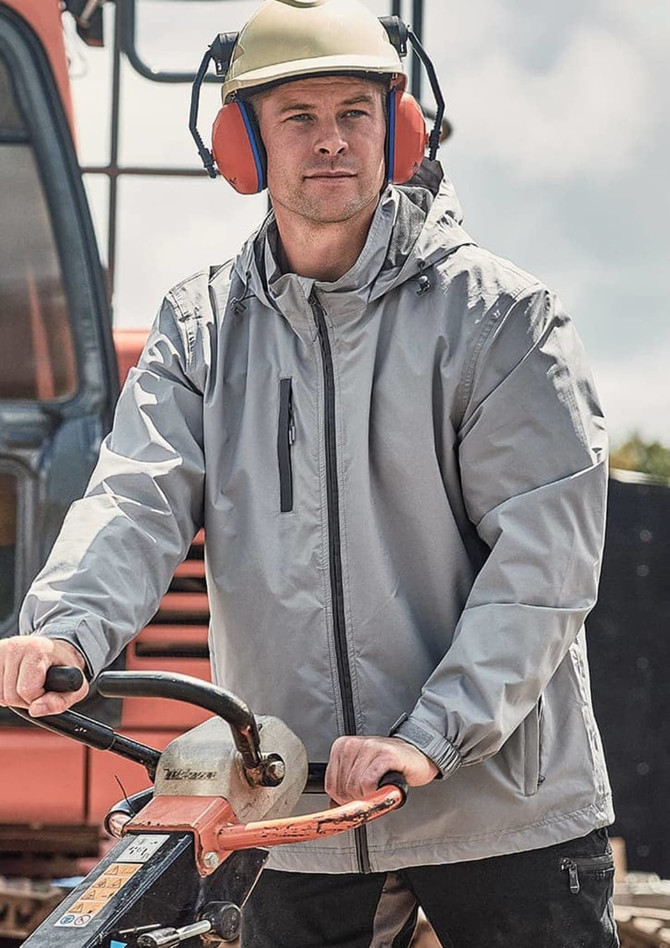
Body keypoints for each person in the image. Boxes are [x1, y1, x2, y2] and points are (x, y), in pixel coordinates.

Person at [0, 0, 617, 945]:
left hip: (498, 809)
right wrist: (63, 631)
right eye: (298, 118)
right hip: (296, 814)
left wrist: (428, 737)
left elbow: (545, 570)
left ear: (397, 131)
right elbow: (136, 495)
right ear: (242, 145)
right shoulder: (200, 331)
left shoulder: (502, 320)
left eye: (354, 115)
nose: (331, 141)